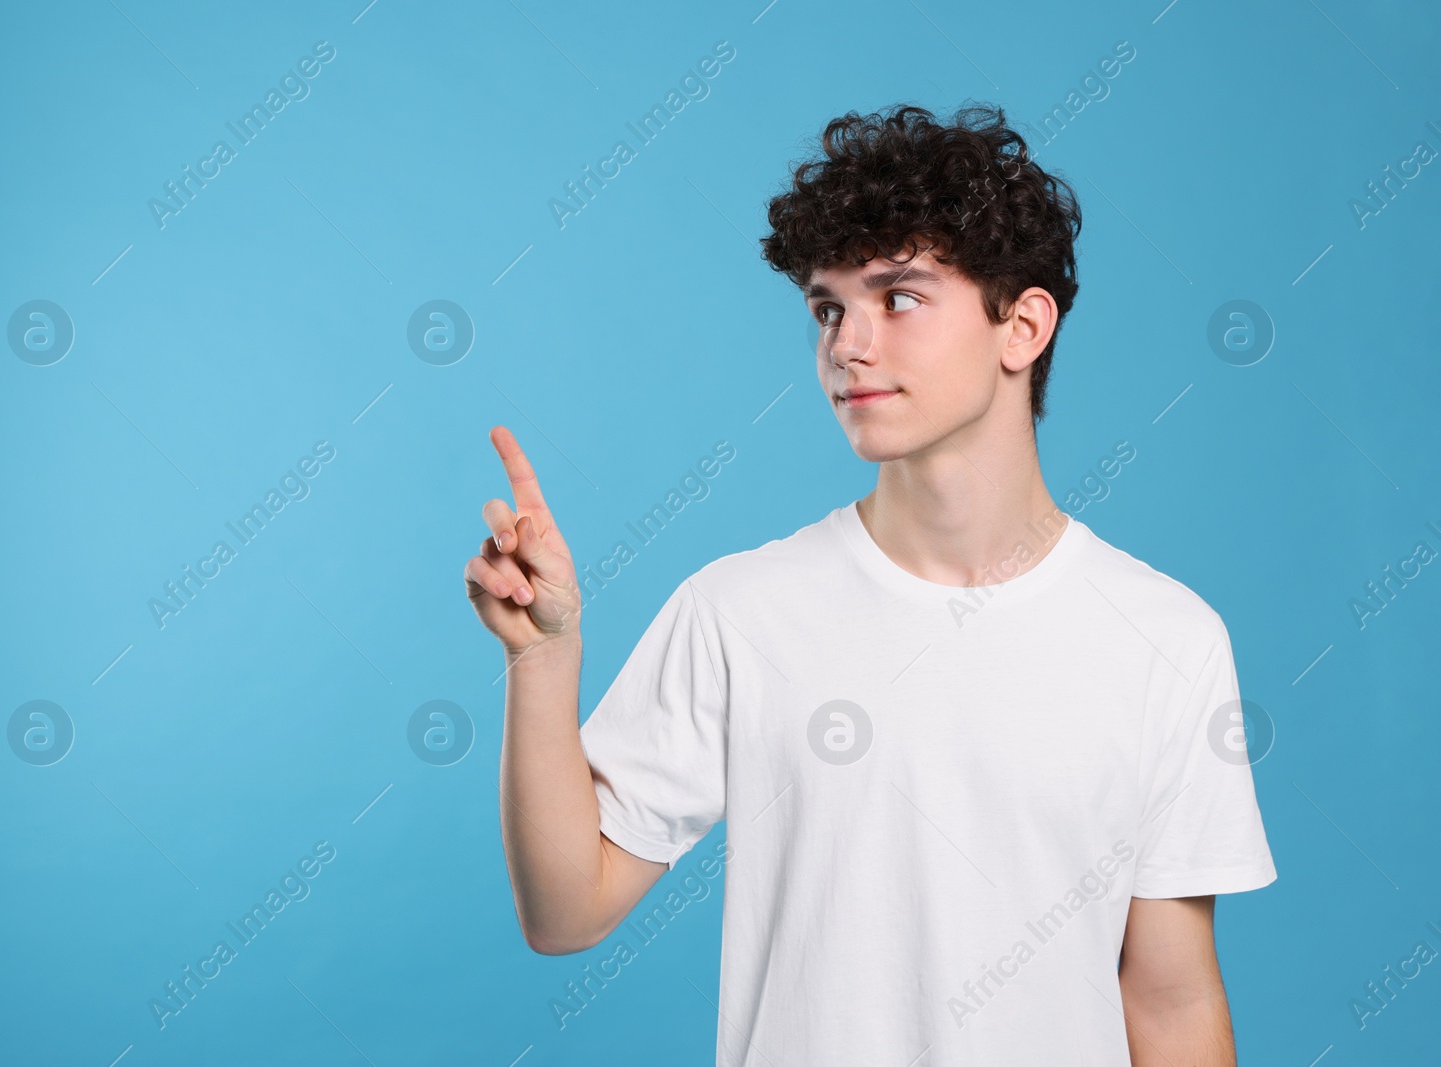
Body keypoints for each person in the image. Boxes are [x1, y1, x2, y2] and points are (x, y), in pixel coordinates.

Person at [465, 102, 1276, 1066]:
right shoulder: (740, 611)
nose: (848, 344)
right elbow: (565, 914)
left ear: (1021, 327)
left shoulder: (1166, 638)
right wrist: (545, 663)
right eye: (828, 307)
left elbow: (1173, 1004)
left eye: (899, 297)